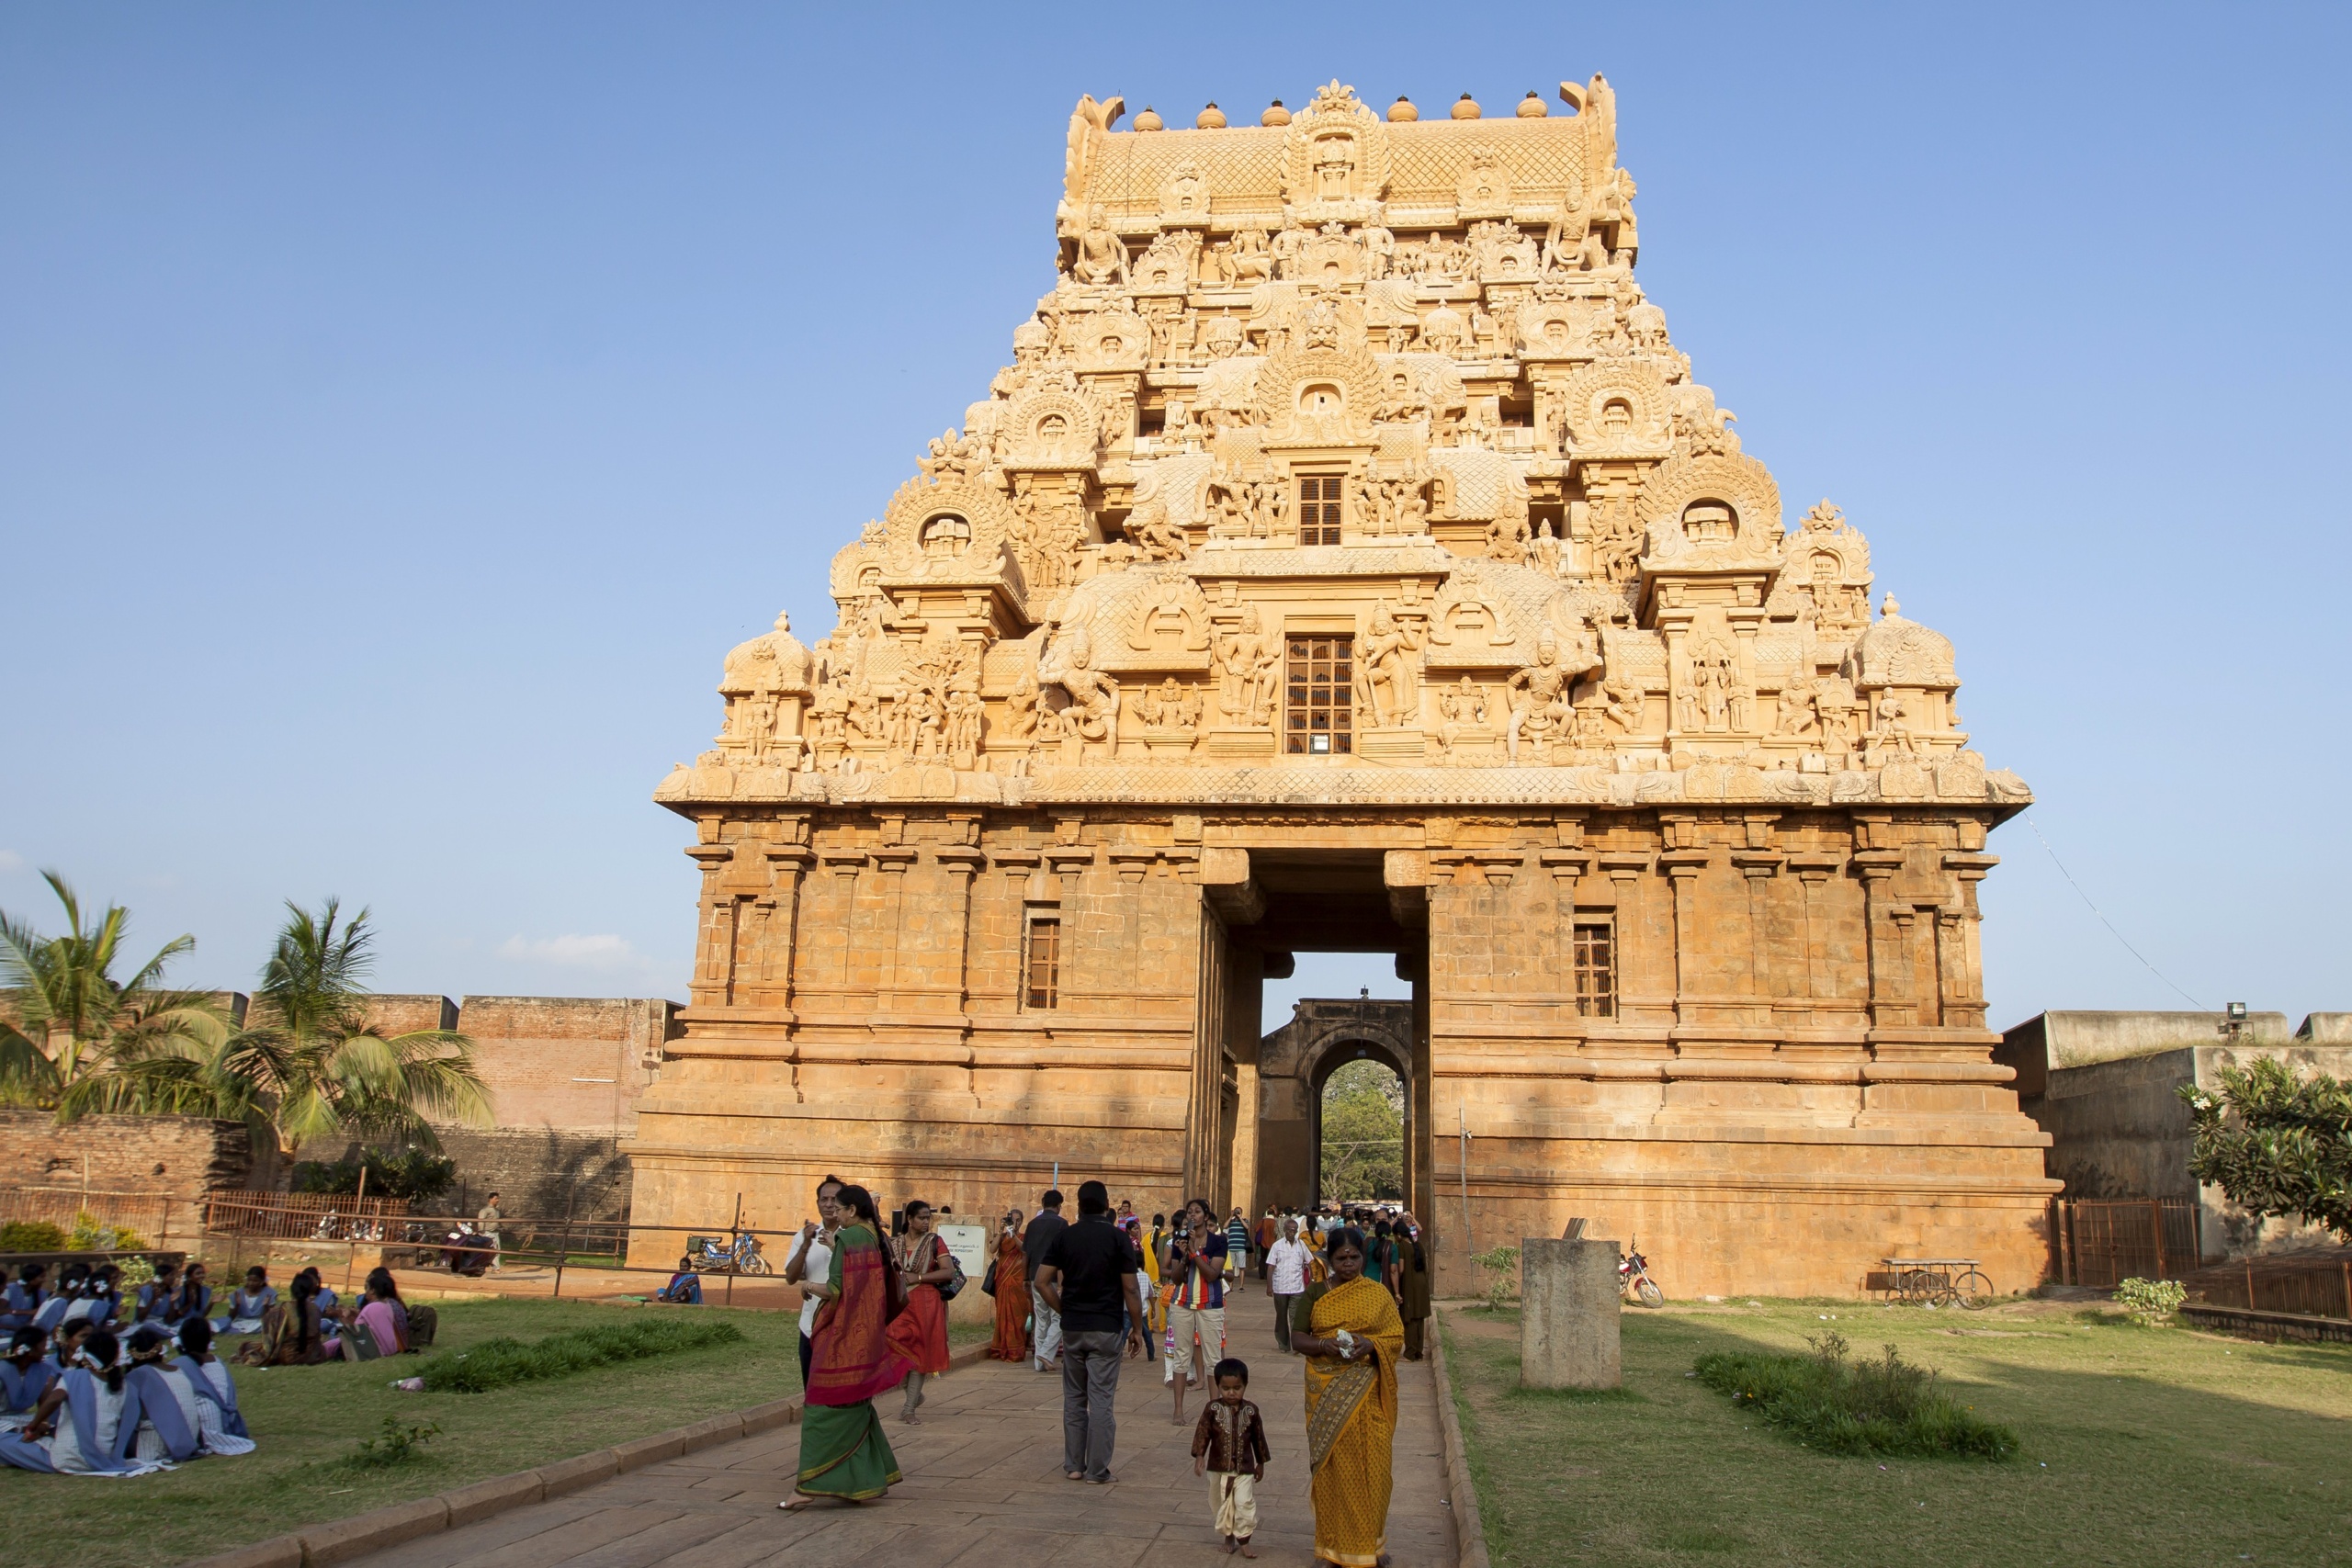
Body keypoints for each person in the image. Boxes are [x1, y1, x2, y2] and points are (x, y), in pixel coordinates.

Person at [782, 1183, 906, 1511]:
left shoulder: (850, 1239)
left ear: (852, 1210)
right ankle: (863, 1482)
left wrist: (808, 1286)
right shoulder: (875, 1238)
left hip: (843, 1337)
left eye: (838, 1208)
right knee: (855, 1408)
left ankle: (808, 1484)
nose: (833, 1213)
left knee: (821, 1408)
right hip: (868, 1337)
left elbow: (836, 1290)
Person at [1291, 1227, 1405, 1568]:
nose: (1349, 1264)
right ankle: (1329, 1547)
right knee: (1331, 1469)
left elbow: (1395, 1336)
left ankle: (1372, 1544)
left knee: (1376, 1469)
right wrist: (1325, 1345)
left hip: (1368, 1391)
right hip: (1327, 1391)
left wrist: (1372, 1345)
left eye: (1354, 1257)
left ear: (1362, 1256)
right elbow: (1298, 1338)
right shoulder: (1315, 1293)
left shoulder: (1378, 1294)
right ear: (1329, 1259)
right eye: (1341, 1258)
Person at [1032, 1179, 1145, 1484]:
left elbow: (1042, 1281)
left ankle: (1074, 1466)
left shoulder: (1065, 1237)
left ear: (1078, 1206)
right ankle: (1097, 1470)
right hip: (1106, 1328)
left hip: (1074, 1329)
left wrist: (1064, 1310)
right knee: (1101, 1401)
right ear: (1107, 1206)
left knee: (1074, 1399)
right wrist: (1136, 1328)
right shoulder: (1117, 1239)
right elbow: (1131, 1288)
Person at [0, 1328, 170, 1474]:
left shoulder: (74, 1377)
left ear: (86, 1355)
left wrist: (32, 1427)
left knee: (6, 1443)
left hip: (69, 1457)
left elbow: (54, 1399)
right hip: (105, 1456)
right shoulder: (126, 1387)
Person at [884, 1199, 956, 1424]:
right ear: (910, 1220)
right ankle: (916, 1395)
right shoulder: (895, 1243)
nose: (926, 1222)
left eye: (928, 1218)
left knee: (920, 1355)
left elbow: (948, 1272)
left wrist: (921, 1277)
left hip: (926, 1303)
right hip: (900, 1304)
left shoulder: (935, 1241)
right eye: (922, 1218)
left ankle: (908, 1408)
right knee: (891, 1347)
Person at [1192, 1357, 1271, 1559]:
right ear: (1218, 1386)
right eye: (1226, 1388)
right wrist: (1200, 1455)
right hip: (1217, 1467)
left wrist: (1260, 1463)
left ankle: (1244, 1539)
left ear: (1245, 1386)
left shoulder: (1251, 1411)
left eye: (1237, 1387)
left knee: (1244, 1503)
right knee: (1221, 1504)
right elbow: (1203, 1433)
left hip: (1244, 1469)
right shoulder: (1212, 1409)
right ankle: (1229, 1536)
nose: (1231, 1393)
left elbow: (1258, 1438)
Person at [1166, 1200, 1227, 1426]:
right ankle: (1178, 1409)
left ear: (1206, 1216)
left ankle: (1214, 1408)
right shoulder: (1179, 1241)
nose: (1193, 1215)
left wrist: (1193, 1252)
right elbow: (1174, 1277)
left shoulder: (1219, 1241)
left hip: (1210, 1303)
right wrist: (1183, 1256)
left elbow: (1212, 1274)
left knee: (1212, 1358)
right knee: (1181, 1355)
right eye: (1190, 1212)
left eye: (1197, 1211)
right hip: (1182, 1302)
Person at [786, 1176, 844, 1387]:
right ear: (818, 1203)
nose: (829, 1205)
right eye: (824, 1199)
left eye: (835, 1199)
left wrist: (834, 1245)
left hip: (845, 1325)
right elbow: (791, 1278)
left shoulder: (854, 1235)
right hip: (811, 1325)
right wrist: (806, 1246)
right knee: (811, 1388)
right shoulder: (804, 1236)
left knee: (841, 1389)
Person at [172, 1318, 254, 1451]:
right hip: (229, 1423)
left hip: (205, 1428)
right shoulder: (218, 1361)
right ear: (209, 1340)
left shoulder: (178, 1365)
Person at [233, 1271, 335, 1366]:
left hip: (288, 1356)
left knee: (247, 1346)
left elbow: (270, 1340)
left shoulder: (283, 1309)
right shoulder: (316, 1309)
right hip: (313, 1356)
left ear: (292, 1289)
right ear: (309, 1291)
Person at [1023, 1189, 1069, 1373]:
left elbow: (1025, 1254)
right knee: (1059, 1316)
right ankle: (1045, 1353)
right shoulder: (1061, 1224)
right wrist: (1062, 1283)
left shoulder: (1032, 1225)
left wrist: (1025, 1277)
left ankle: (1039, 1363)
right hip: (1052, 1278)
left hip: (1035, 1276)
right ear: (1058, 1206)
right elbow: (1063, 1256)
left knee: (1040, 1318)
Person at [987, 1210, 1030, 1362]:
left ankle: (1015, 1351)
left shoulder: (1023, 1237)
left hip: (1017, 1282)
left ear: (1022, 1222)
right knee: (1002, 1316)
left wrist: (1013, 1234)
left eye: (1018, 1220)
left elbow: (1024, 1249)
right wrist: (1001, 1231)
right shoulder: (1003, 1237)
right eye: (1012, 1220)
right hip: (1002, 1281)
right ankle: (1000, 1348)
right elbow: (992, 1250)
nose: (1015, 1223)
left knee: (1017, 1317)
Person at [1265, 1218, 1312, 1353]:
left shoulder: (1301, 1245)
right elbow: (1271, 1266)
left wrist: (1311, 1280)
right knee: (1281, 1316)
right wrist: (1269, 1286)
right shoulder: (1277, 1246)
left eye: (1295, 1230)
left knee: (1296, 1316)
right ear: (1285, 1230)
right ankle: (1283, 1344)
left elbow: (1309, 1263)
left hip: (1297, 1287)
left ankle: (1296, 1344)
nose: (1293, 1233)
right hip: (1280, 1286)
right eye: (1290, 1230)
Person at [1394, 1213, 1432, 1360]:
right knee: (1419, 1317)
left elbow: (1401, 1269)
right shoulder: (1418, 1245)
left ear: (1398, 1235)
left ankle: (1410, 1351)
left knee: (1408, 1317)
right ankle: (1418, 1351)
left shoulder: (1402, 1246)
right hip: (1421, 1283)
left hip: (1410, 1283)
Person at [0, 1329, 54, 1431]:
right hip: (2, 1420)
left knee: (51, 1427)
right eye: (43, 1346)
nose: (45, 1351)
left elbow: (45, 1407)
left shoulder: (39, 1372)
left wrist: (43, 1423)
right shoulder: (3, 1370)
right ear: (30, 1350)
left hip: (21, 1417)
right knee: (10, 1428)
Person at [214, 1267, 274, 1336]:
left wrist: (266, 1306)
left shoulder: (269, 1294)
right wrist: (237, 1305)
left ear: (262, 1282)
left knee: (268, 1326)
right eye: (249, 1280)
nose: (251, 1283)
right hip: (239, 1322)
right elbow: (230, 1317)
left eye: (255, 1281)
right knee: (223, 1323)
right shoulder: (238, 1293)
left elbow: (271, 1317)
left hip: (258, 1323)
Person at [1, 1265, 46, 1333]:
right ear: (31, 1279)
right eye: (41, 1277)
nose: (44, 1280)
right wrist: (28, 1312)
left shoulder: (42, 1294)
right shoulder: (10, 1289)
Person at [174, 1262, 213, 1328]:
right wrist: (191, 1303)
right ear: (189, 1276)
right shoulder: (178, 1291)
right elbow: (178, 1315)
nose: (201, 1276)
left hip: (199, 1321)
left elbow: (202, 1315)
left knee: (226, 1320)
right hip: (183, 1321)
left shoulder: (206, 1290)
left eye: (203, 1273)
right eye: (198, 1273)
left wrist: (212, 1303)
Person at [1226, 1208, 1251, 1292]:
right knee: (1231, 1267)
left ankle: (1241, 1286)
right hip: (1231, 1247)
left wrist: (1240, 1218)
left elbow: (1247, 1227)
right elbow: (1225, 1226)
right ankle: (1230, 1286)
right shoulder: (1231, 1222)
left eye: (1238, 1212)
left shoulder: (1244, 1220)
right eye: (1235, 1211)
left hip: (1241, 1248)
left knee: (1241, 1267)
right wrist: (1231, 1216)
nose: (1237, 1213)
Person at [477, 1192, 504, 1271]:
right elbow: (481, 1221)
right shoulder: (485, 1210)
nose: (498, 1200)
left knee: (497, 1250)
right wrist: (481, 1232)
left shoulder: (497, 1211)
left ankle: (495, 1268)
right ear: (490, 1199)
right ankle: (495, 1268)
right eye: (496, 1199)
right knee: (493, 1250)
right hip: (487, 1232)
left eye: (498, 1199)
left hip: (495, 1233)